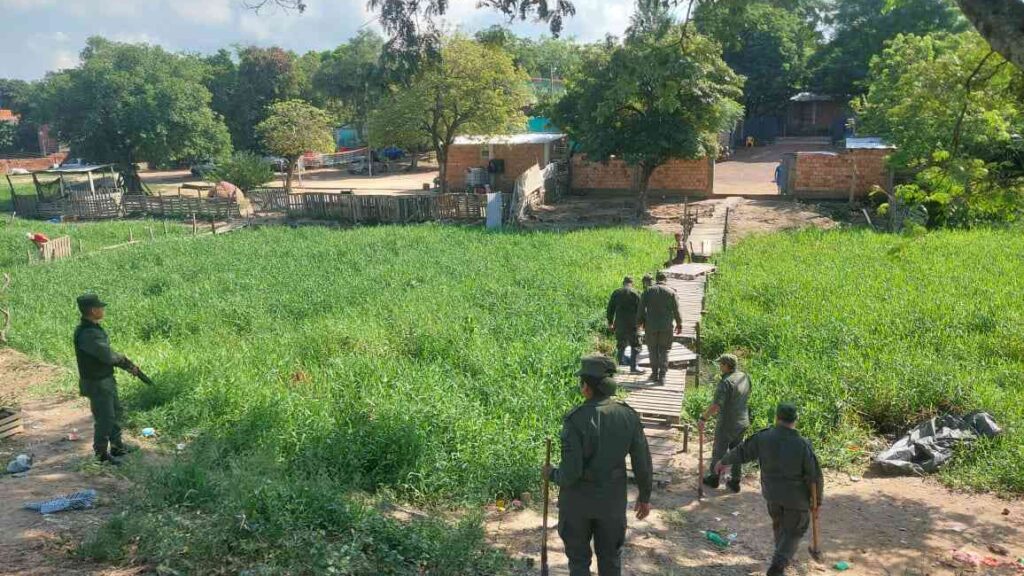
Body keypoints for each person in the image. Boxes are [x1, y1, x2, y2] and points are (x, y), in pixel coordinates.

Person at [544, 355, 654, 576]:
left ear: (586, 387)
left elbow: (571, 472)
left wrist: (551, 473)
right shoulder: (628, 416)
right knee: (611, 559)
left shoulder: (575, 420)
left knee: (578, 561)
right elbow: (642, 462)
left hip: (577, 502)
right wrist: (644, 497)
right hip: (611, 501)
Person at [716, 403, 824, 576]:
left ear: (777, 418)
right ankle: (778, 566)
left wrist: (723, 461)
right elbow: (814, 477)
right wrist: (817, 501)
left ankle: (780, 556)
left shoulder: (763, 437)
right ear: (795, 420)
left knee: (780, 526)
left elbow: (742, 451)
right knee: (796, 529)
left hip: (772, 494)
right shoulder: (802, 444)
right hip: (796, 499)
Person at [74, 294, 138, 465]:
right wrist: (125, 362)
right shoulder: (88, 333)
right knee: (105, 418)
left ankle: (117, 447)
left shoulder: (92, 329)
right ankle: (101, 454)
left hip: (104, 379)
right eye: (100, 307)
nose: (103, 309)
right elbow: (107, 356)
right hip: (97, 382)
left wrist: (126, 364)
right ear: (93, 310)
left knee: (115, 412)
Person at [700, 354, 752, 493]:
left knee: (719, 451)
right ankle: (735, 481)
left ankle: (714, 478)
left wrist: (703, 418)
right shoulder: (744, 377)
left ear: (726, 366)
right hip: (742, 421)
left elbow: (716, 406)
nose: (719, 366)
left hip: (727, 423)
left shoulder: (726, 382)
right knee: (737, 452)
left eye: (721, 364)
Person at [638, 272, 682, 384]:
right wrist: (679, 324)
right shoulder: (671, 292)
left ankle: (654, 374)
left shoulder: (647, 291)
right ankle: (662, 376)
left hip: (651, 326)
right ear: (665, 280)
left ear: (656, 279)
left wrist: (640, 322)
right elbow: (677, 310)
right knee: (664, 350)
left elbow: (641, 309)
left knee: (652, 350)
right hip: (666, 327)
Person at [606, 276, 644, 374]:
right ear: (632, 283)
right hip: (633, 324)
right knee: (636, 345)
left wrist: (610, 322)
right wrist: (642, 322)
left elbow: (610, 309)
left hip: (620, 323)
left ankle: (619, 365)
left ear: (623, 283)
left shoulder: (616, 292)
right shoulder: (636, 293)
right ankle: (633, 367)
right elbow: (641, 310)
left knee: (621, 344)